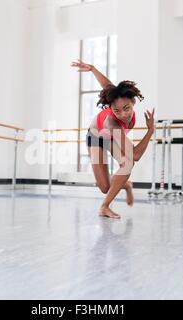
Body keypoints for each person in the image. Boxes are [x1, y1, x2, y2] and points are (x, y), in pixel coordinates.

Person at [71, 59, 155, 219]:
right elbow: (136, 154)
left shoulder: (118, 96)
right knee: (104, 187)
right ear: (111, 108)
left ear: (133, 102)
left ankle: (104, 207)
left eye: (126, 109)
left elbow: (107, 84)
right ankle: (126, 185)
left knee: (127, 164)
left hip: (110, 138)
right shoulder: (112, 122)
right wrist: (150, 130)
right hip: (96, 137)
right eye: (116, 110)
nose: (123, 115)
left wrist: (92, 68)